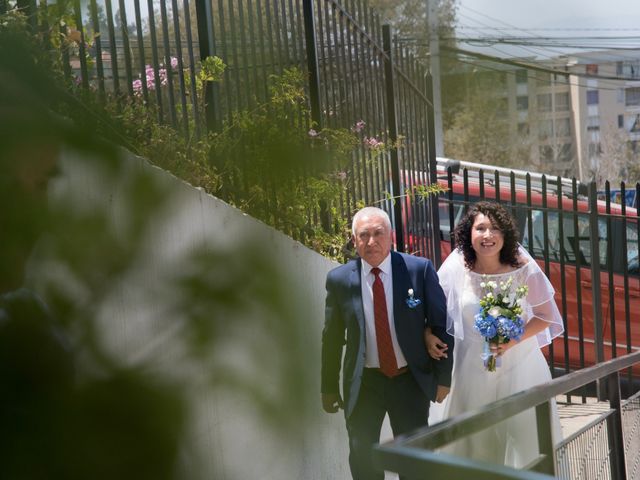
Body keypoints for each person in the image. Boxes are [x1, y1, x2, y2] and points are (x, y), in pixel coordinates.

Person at [321, 206, 454, 479]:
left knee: (415, 461)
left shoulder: (418, 270)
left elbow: (441, 325)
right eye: (364, 235)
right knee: (363, 459)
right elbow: (332, 338)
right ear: (354, 239)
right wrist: (328, 387)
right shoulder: (339, 280)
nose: (372, 242)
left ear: (391, 236)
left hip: (409, 380)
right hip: (365, 383)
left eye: (378, 233)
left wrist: (443, 377)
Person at [435, 201, 564, 468]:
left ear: (505, 235)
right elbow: (436, 311)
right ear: (469, 234)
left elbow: (546, 317)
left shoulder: (523, 268)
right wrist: (428, 334)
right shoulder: (457, 267)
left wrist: (511, 340)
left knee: (524, 439)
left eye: (494, 229)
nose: (487, 235)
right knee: (474, 440)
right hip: (470, 367)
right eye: (480, 228)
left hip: (519, 367)